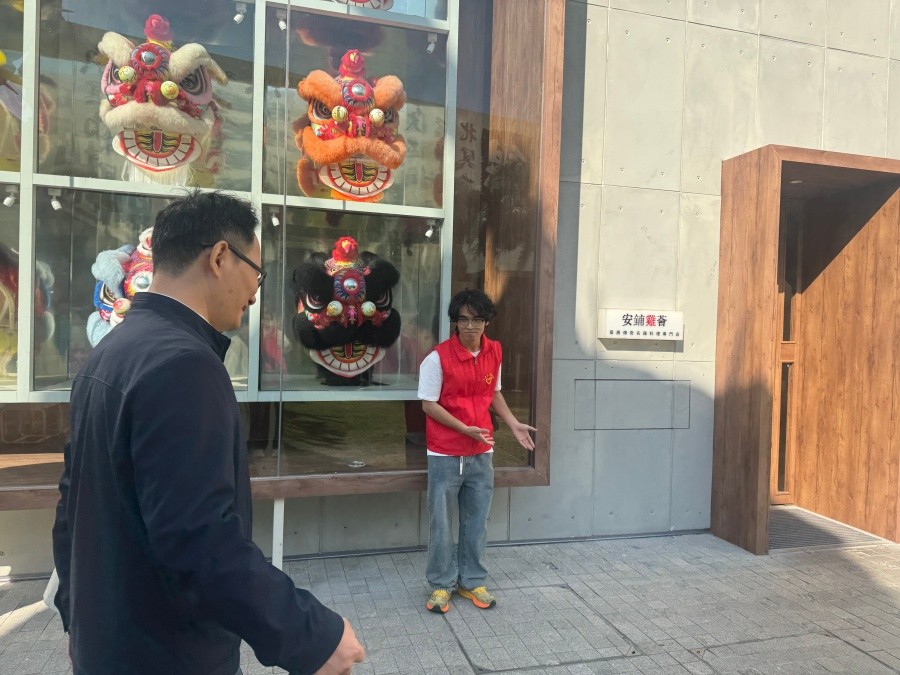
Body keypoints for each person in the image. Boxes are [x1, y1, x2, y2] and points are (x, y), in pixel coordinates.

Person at [51, 191, 366, 675]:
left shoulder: (111, 352)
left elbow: (70, 509)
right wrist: (312, 635)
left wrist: (77, 620)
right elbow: (198, 539)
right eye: (257, 273)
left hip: (109, 644)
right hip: (169, 653)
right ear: (220, 257)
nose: (256, 293)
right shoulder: (183, 364)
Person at [417, 289, 536, 614]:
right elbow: (428, 405)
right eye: (463, 320)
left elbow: (493, 392)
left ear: (487, 322)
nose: (470, 326)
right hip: (445, 453)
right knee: (441, 523)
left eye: (477, 319)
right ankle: (441, 584)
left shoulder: (494, 351)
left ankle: (471, 581)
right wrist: (463, 428)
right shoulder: (437, 358)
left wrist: (513, 423)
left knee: (477, 520)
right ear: (455, 322)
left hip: (481, 451)